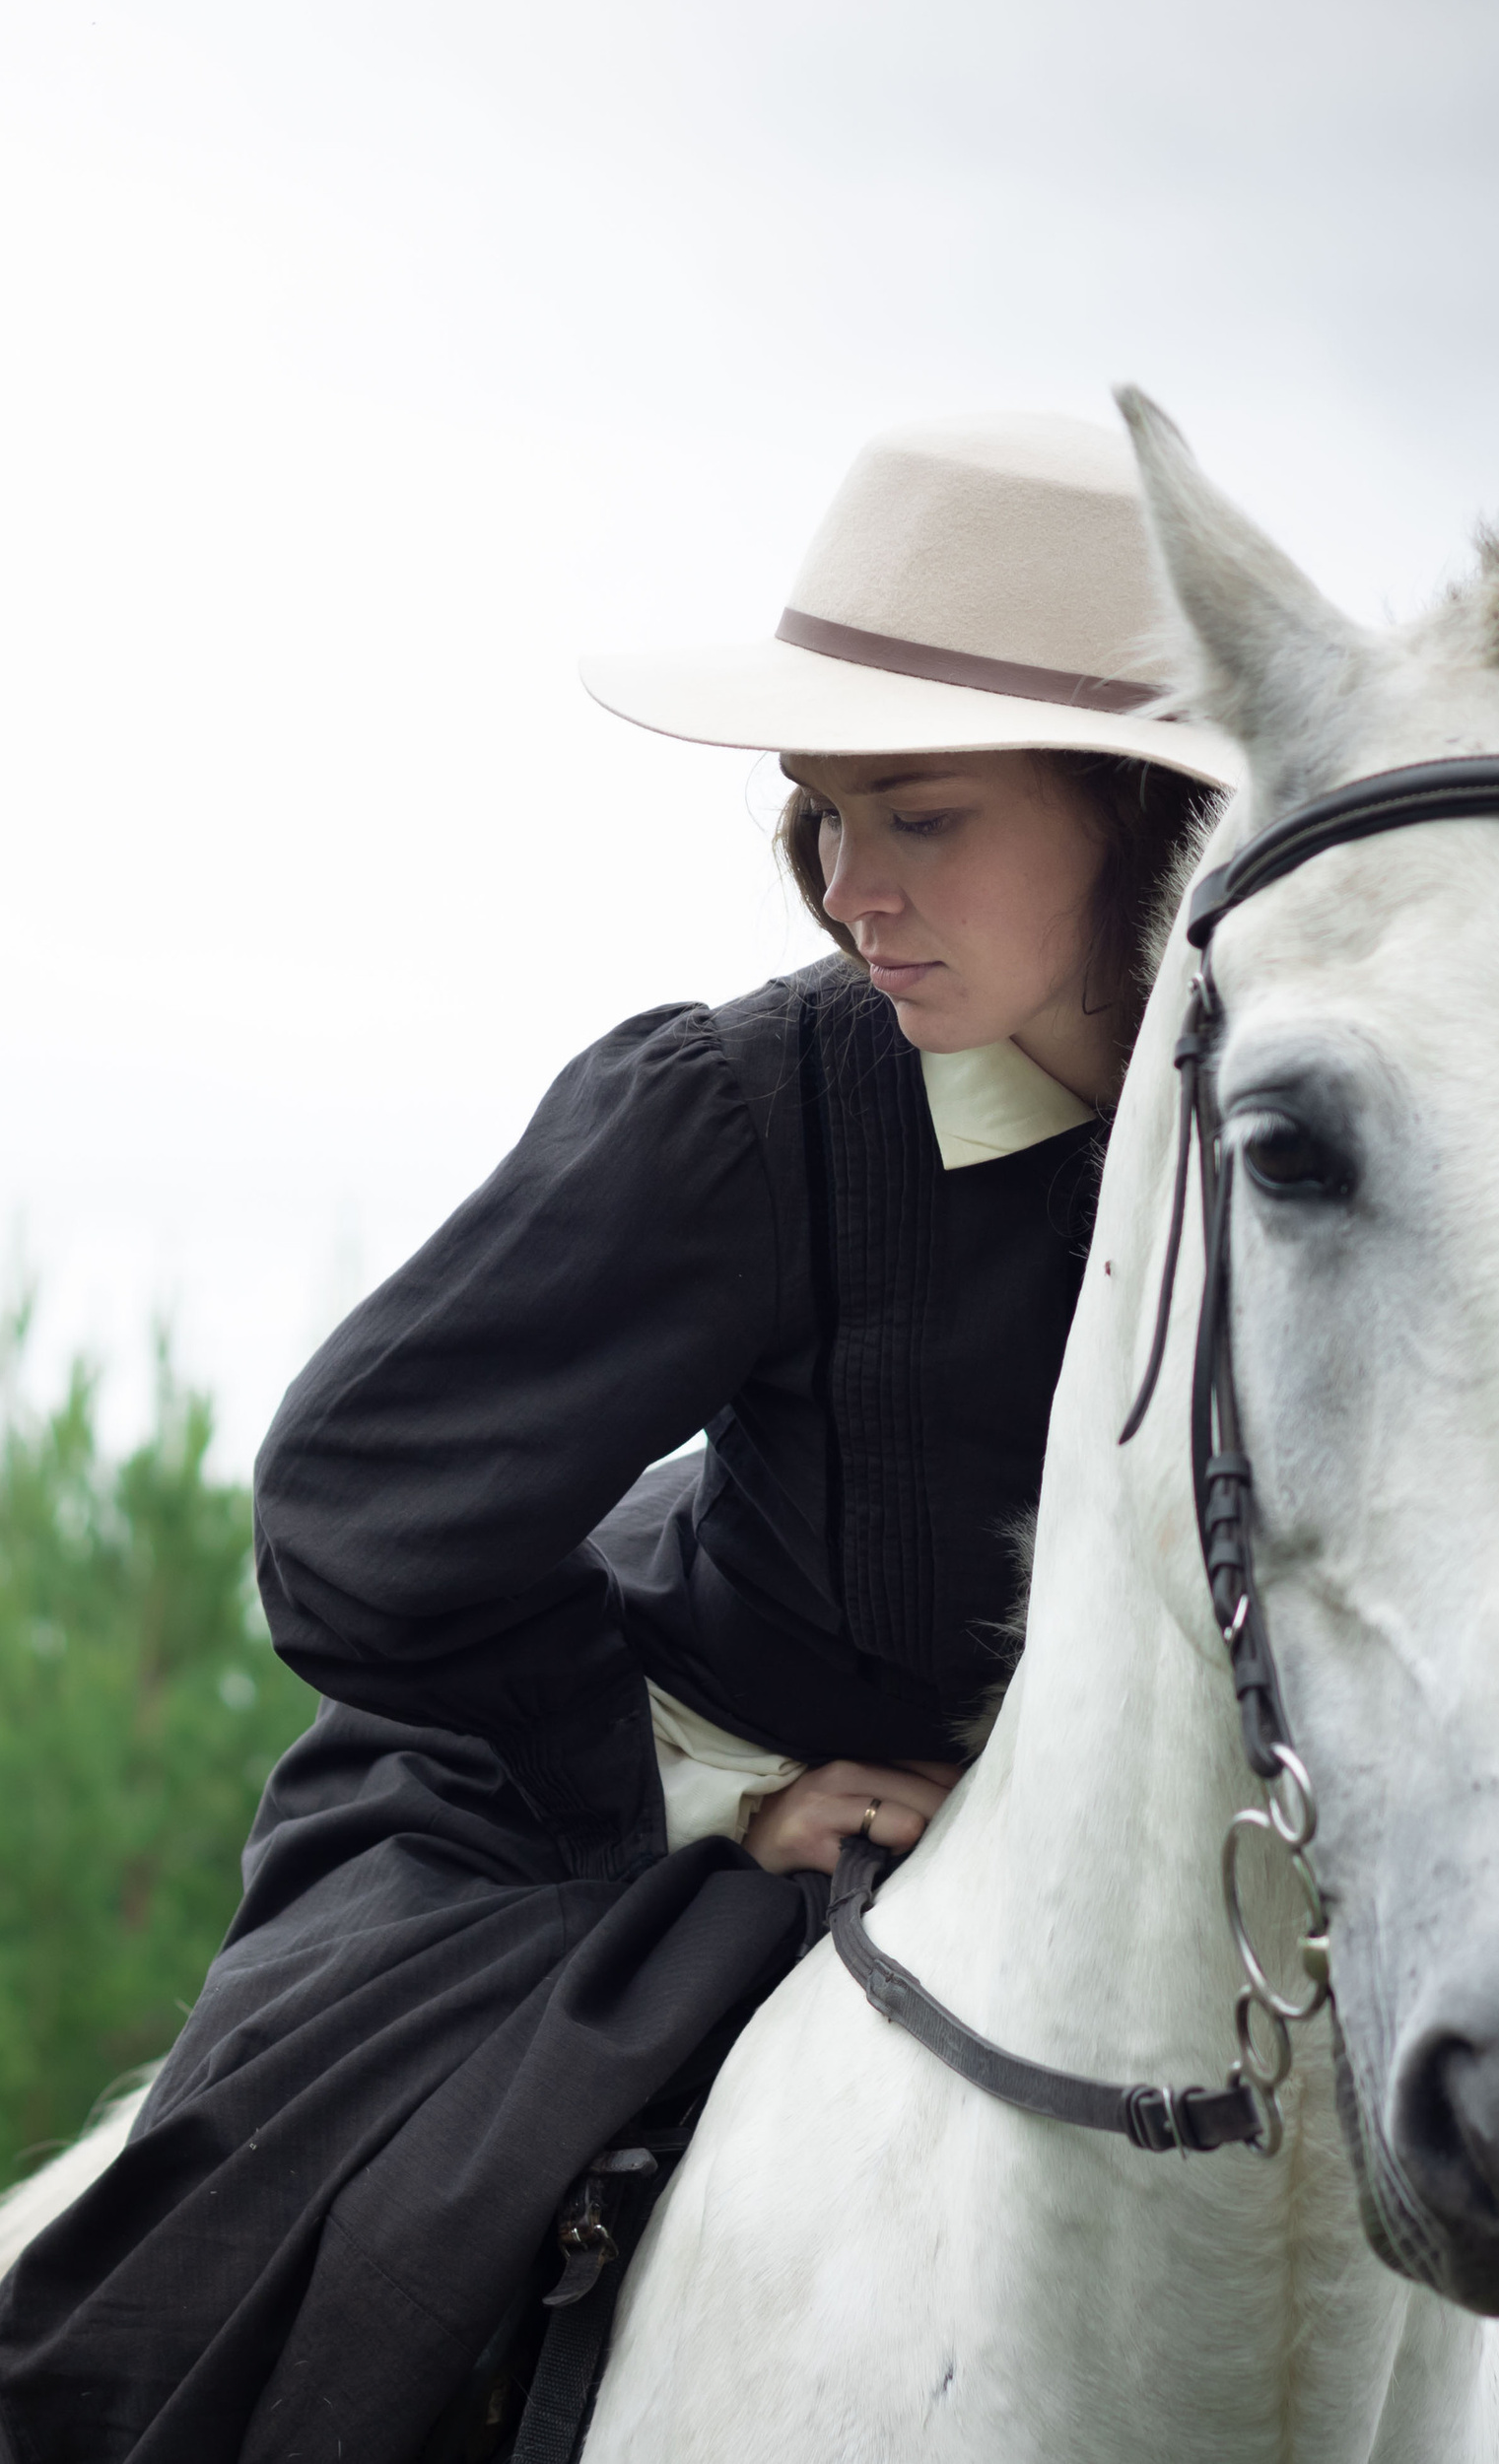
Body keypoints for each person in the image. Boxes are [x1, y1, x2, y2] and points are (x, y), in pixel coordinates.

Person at [0, 413, 1239, 2464]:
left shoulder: (1336, 1148)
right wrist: (719, 1796)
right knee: (289, 2289)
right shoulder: (755, 1111)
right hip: (609, 1828)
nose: (851, 889)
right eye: (821, 817)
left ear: (1143, 813)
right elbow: (354, 1502)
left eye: (918, 817)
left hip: (1162, 1903)